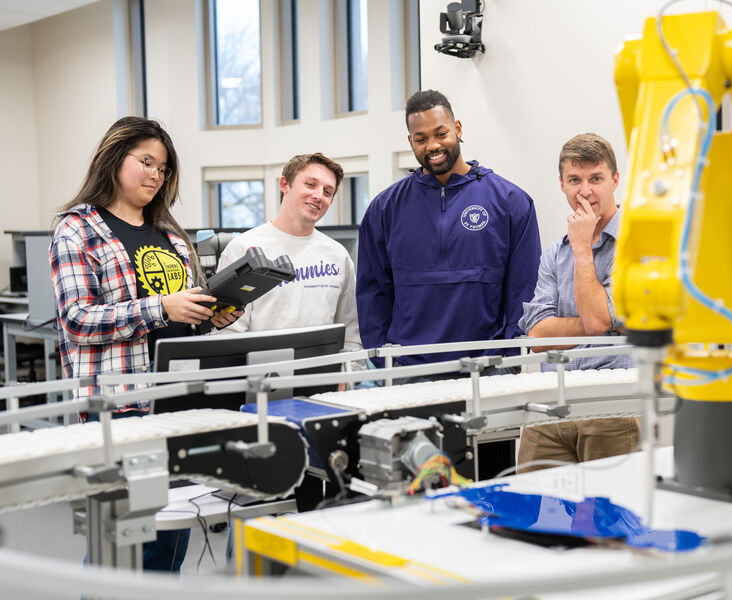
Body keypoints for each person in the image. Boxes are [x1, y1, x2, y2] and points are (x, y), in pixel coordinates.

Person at [50, 116, 236, 572]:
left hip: (177, 400)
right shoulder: (78, 229)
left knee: (171, 532)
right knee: (124, 540)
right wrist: (162, 308)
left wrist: (209, 318)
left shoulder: (170, 234)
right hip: (121, 405)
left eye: (164, 168)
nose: (156, 175)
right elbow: (76, 319)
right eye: (147, 162)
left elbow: (180, 322)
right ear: (114, 158)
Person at [356, 90, 541, 369]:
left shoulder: (512, 202)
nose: (432, 145)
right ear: (411, 141)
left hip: (487, 368)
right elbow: (372, 294)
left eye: (440, 134)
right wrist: (384, 362)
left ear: (458, 129)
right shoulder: (383, 209)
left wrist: (512, 359)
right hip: (409, 371)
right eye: (421, 139)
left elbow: (523, 289)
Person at [517, 133, 638, 473]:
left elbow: (598, 320)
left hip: (612, 406)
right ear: (561, 184)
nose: (584, 191)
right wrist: (605, 323)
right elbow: (539, 337)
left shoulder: (636, 245)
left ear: (615, 180)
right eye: (574, 180)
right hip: (550, 404)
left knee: (609, 506)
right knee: (530, 499)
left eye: (595, 179)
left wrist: (583, 247)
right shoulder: (555, 253)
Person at [214, 153, 362, 357]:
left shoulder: (338, 255)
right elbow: (227, 331)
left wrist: (351, 370)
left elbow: (351, 331)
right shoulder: (243, 247)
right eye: (310, 184)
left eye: (327, 192)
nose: (319, 196)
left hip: (324, 373)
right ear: (285, 184)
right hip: (263, 373)